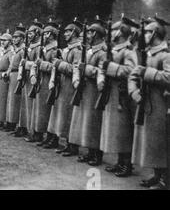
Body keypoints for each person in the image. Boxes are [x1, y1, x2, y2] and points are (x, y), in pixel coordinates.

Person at [128, 15, 170, 190]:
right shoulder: (147, 53)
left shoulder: (166, 55)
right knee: (151, 142)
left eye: (147, 32)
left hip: (162, 103)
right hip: (148, 103)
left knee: (160, 142)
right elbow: (134, 74)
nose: (143, 35)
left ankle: (165, 180)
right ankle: (156, 175)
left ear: (155, 34)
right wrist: (135, 92)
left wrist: (148, 73)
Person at [97, 16, 138, 177]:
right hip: (111, 92)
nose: (111, 32)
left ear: (121, 32)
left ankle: (126, 164)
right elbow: (102, 67)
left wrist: (111, 68)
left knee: (123, 129)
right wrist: (101, 79)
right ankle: (119, 162)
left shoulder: (128, 51)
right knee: (115, 129)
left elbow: (131, 70)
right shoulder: (113, 50)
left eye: (114, 30)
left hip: (122, 93)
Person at [69, 17, 107, 166]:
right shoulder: (88, 50)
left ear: (96, 34)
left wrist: (89, 70)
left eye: (90, 32)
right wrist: (77, 79)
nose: (88, 35)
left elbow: (102, 70)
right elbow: (78, 66)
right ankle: (89, 151)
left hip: (95, 89)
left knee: (95, 121)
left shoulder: (103, 51)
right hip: (85, 88)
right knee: (86, 121)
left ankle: (97, 153)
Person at [48, 19, 82, 156]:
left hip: (71, 85)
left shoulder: (78, 49)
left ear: (74, 33)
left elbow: (75, 68)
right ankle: (66, 141)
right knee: (62, 113)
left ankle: (72, 145)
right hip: (63, 83)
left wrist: (59, 64)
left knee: (69, 114)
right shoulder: (69, 48)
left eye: (68, 31)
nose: (65, 34)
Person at [32, 19, 59, 148]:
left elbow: (55, 66)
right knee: (41, 109)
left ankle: (51, 137)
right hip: (42, 80)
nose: (45, 36)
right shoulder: (43, 48)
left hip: (50, 81)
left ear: (52, 35)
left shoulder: (55, 49)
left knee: (48, 110)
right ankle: (42, 134)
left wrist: (41, 64)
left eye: (47, 33)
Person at [23, 19, 44, 143]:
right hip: (28, 77)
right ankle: (31, 130)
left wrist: (26, 64)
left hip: (36, 77)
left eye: (31, 33)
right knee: (29, 106)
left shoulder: (40, 46)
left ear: (37, 33)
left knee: (35, 106)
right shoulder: (30, 46)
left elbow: (37, 63)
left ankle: (36, 132)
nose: (29, 35)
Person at [9, 24, 28, 137]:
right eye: (14, 37)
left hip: (19, 75)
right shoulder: (17, 50)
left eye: (16, 37)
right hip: (14, 75)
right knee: (15, 102)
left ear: (21, 38)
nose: (14, 39)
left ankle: (22, 127)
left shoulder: (22, 50)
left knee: (20, 102)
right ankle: (18, 125)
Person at [0, 31, 13, 131]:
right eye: (1, 40)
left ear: (10, 42)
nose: (2, 42)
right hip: (0, 76)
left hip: (6, 77)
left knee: (5, 99)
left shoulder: (11, 52)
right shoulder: (2, 51)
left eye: (5, 40)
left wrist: (7, 72)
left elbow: (12, 64)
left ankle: (6, 120)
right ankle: (1, 119)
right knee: (0, 99)